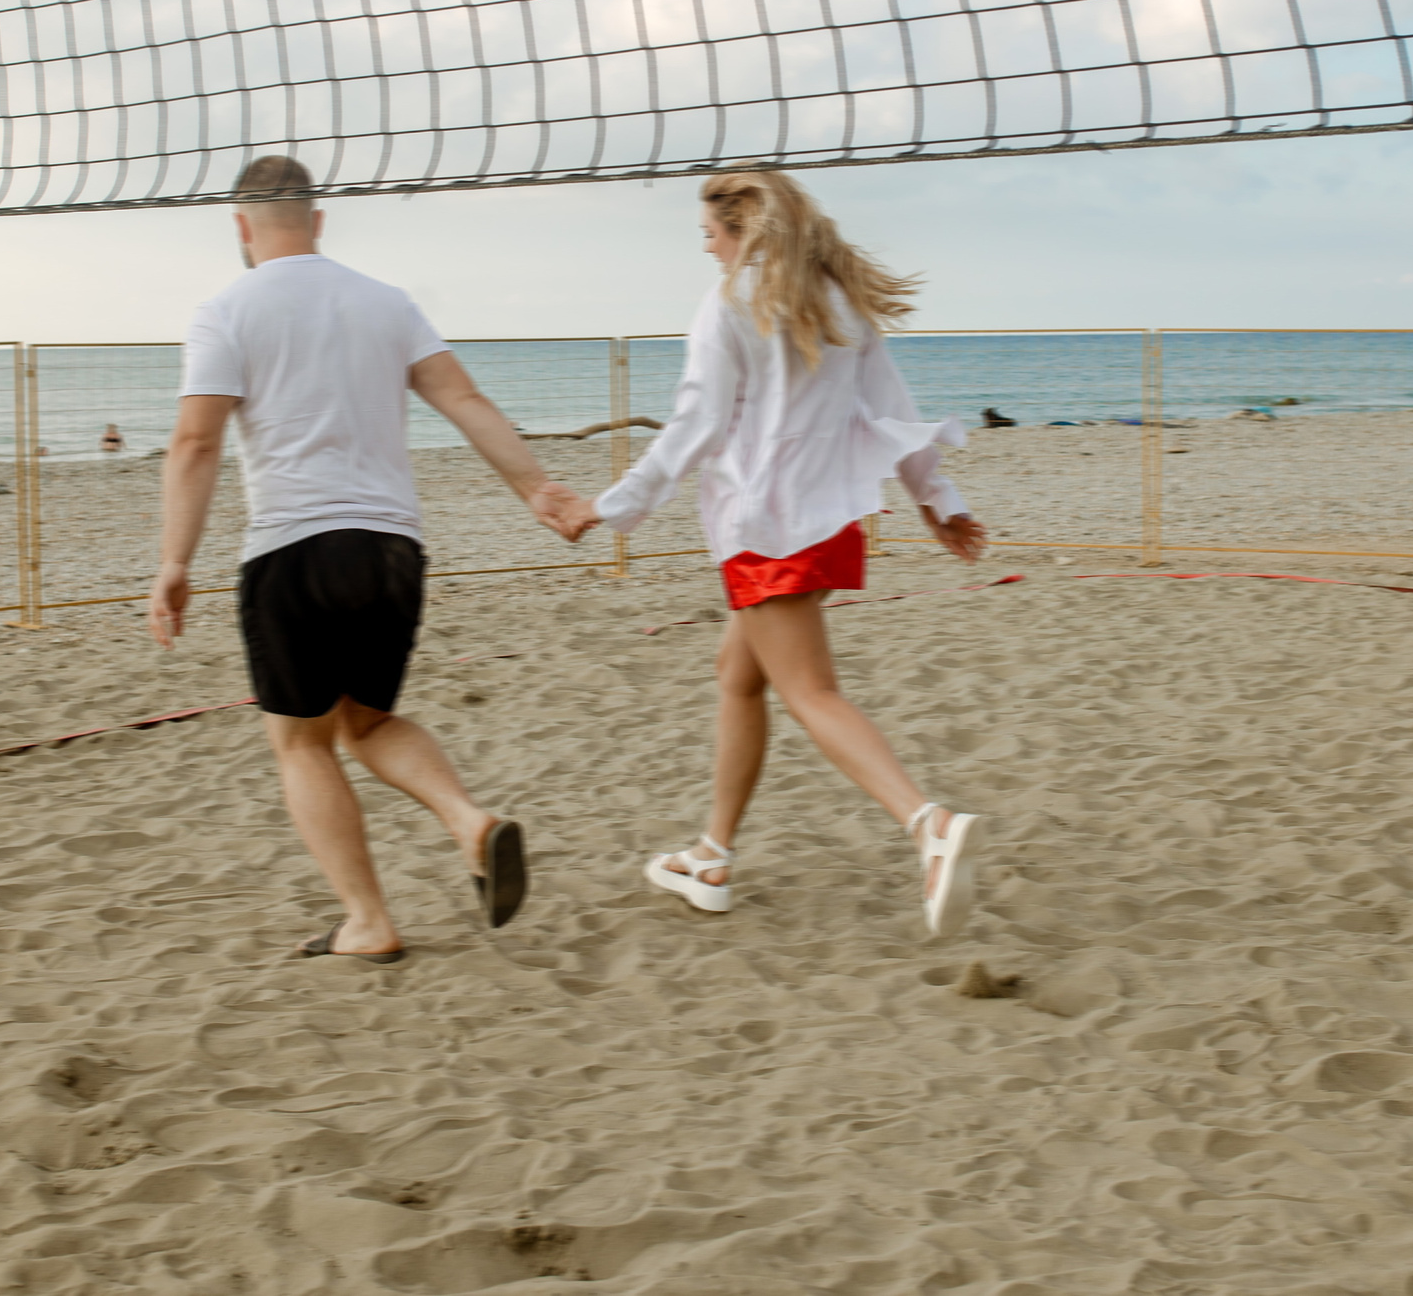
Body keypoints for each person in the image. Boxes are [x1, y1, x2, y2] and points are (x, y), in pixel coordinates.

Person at [150, 154, 589, 963]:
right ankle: (467, 818)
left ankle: (367, 920)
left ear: (241, 226)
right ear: (317, 220)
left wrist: (174, 560)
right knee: (368, 720)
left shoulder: (225, 310)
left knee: (302, 742)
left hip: (294, 548)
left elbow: (195, 441)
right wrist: (534, 486)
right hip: (392, 549)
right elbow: (463, 398)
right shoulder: (387, 301)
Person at [561, 169, 993, 938]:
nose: (708, 249)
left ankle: (926, 823)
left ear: (743, 230)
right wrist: (937, 499)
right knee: (738, 674)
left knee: (811, 691)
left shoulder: (730, 302)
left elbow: (694, 427)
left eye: (710, 234)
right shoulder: (837, 299)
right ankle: (712, 854)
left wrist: (608, 506)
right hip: (828, 521)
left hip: (765, 531)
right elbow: (892, 409)